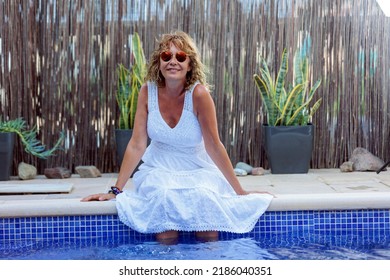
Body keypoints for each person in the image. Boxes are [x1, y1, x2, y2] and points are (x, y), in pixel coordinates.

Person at [82, 31, 273, 244]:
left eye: (180, 57)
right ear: (159, 62)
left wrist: (240, 191)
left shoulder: (199, 94)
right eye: (167, 56)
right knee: (163, 199)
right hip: (159, 168)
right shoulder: (147, 91)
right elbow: (137, 144)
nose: (173, 61)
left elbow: (214, 146)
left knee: (204, 200)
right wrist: (116, 190)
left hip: (197, 168)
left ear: (190, 65)